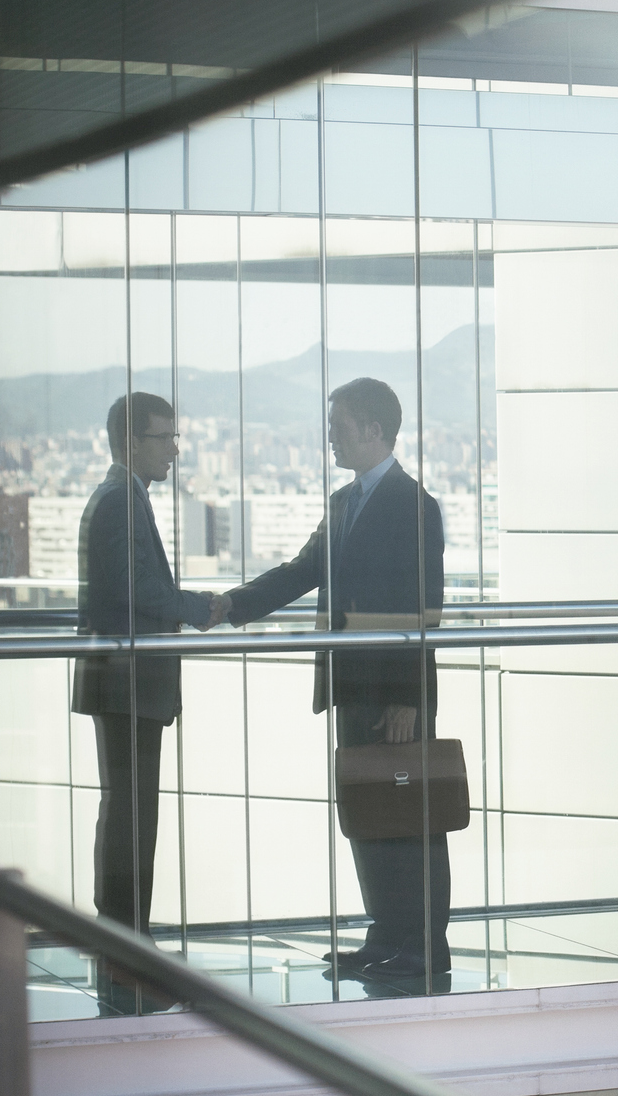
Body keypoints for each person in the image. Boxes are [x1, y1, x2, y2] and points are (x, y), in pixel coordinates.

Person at [217, 377, 449, 991]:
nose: (329, 437)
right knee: (368, 814)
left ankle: (424, 946)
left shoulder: (414, 504)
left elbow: (425, 608)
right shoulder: (344, 503)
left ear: (374, 429)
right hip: (351, 685)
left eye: (339, 425)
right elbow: (301, 572)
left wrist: (409, 697)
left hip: (395, 694)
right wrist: (228, 605)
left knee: (409, 820)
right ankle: (385, 935)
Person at [72, 392, 214, 954]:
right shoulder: (120, 502)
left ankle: (125, 928)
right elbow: (140, 590)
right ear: (132, 443)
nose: (175, 451)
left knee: (129, 806)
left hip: (125, 679)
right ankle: (126, 932)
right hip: (126, 680)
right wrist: (200, 608)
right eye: (166, 438)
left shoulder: (124, 497)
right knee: (132, 810)